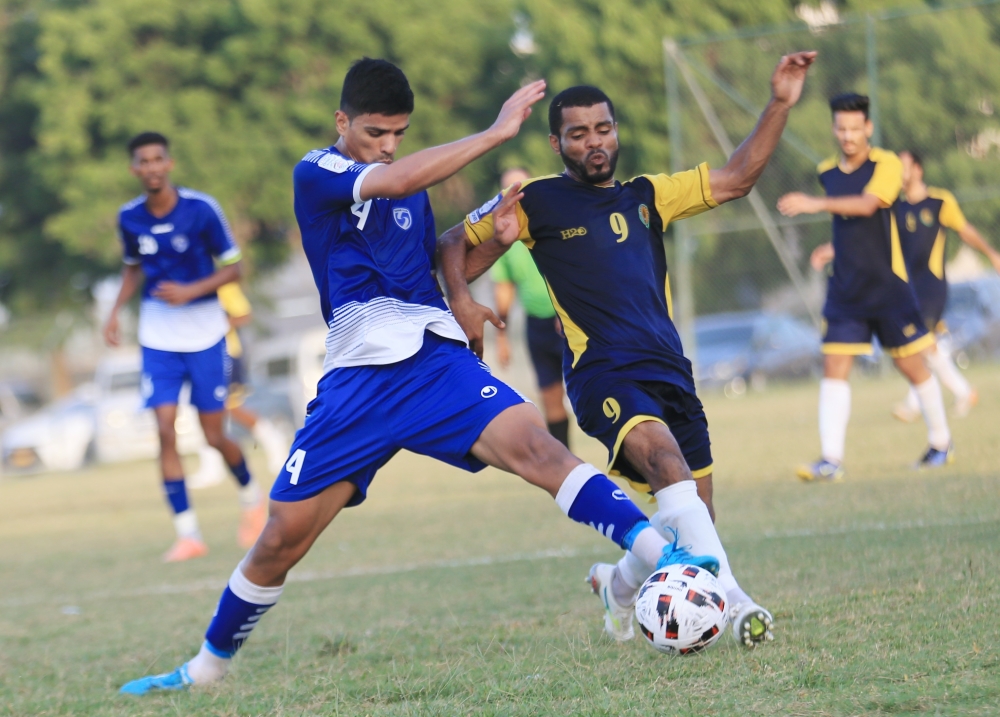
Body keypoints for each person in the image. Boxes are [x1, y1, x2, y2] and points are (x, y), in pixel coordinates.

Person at [120, 58, 714, 696]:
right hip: (357, 383)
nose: (388, 146)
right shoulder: (317, 171)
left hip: (435, 363)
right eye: (376, 133)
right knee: (279, 540)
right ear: (342, 122)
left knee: (539, 449)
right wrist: (494, 133)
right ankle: (204, 671)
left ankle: (669, 561)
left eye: (399, 134)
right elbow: (394, 177)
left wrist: (491, 249)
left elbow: (430, 270)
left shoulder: (409, 190)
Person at [439, 52, 817, 648]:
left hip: (671, 370)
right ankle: (740, 605)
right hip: (602, 373)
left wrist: (780, 102)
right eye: (578, 133)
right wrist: (463, 298)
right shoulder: (534, 200)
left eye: (604, 129)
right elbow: (452, 244)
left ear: (617, 132)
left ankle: (616, 585)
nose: (594, 142)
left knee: (693, 525)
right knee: (667, 464)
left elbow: (739, 177)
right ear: (556, 142)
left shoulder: (649, 195)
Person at [103, 132, 267, 561]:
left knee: (214, 434)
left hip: (205, 335)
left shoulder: (201, 209)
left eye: (159, 159)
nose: (152, 167)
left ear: (169, 164)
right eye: (144, 161)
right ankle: (187, 534)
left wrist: (192, 290)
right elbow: (131, 270)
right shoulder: (129, 217)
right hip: (157, 339)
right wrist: (114, 312)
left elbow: (235, 268)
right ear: (134, 169)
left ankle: (252, 498)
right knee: (163, 431)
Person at [778, 95, 955, 481]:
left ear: (868, 129)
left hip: (888, 288)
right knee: (834, 365)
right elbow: (849, 227)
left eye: (855, 128)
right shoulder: (828, 171)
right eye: (841, 128)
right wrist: (833, 248)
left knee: (910, 365)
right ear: (834, 129)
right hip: (846, 290)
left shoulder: (887, 164)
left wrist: (814, 204)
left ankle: (941, 442)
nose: (848, 135)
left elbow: (869, 205)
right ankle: (830, 460)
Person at [491, 168, 570, 447]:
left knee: (594, 390)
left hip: (568, 321)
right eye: (505, 189)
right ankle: (568, 470)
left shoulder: (552, 222)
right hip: (536, 325)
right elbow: (504, 289)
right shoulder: (504, 239)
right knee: (550, 399)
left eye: (518, 186)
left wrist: (568, 310)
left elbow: (574, 269)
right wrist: (502, 337)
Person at [188, 282, 291, 488]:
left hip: (226, 353)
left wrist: (212, 326)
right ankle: (213, 467)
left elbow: (244, 315)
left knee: (224, 407)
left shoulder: (222, 286)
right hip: (202, 355)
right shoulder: (188, 286)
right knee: (208, 408)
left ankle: (274, 441)